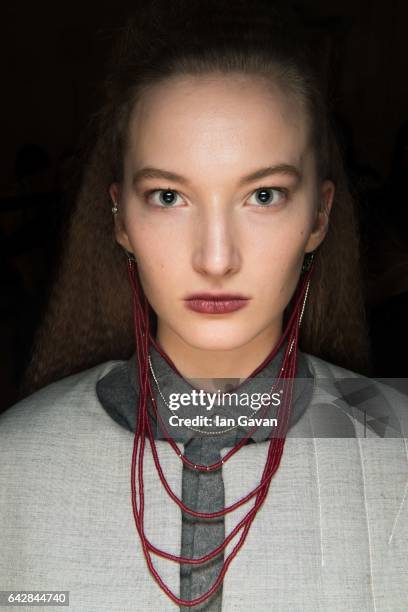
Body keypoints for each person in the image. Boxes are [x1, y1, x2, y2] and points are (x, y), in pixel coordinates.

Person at [1, 1, 407, 610]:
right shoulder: (16, 464)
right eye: (169, 196)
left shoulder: (396, 453)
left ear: (319, 215)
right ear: (120, 216)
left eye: (263, 194)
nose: (216, 258)